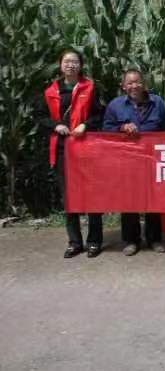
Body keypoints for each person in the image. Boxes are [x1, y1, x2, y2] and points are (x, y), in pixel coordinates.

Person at [40, 50, 104, 258]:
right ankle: (74, 242)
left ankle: (94, 241)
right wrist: (56, 125)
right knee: (68, 196)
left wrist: (86, 125)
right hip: (63, 149)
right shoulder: (50, 91)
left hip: (87, 148)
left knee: (92, 194)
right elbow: (40, 116)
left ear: (81, 65)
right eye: (67, 61)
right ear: (60, 65)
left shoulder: (90, 87)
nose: (71, 65)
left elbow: (100, 114)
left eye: (75, 61)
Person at [103, 69, 165, 255]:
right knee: (128, 201)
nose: (134, 86)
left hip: (152, 159)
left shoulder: (157, 103)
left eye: (137, 82)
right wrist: (122, 127)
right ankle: (131, 240)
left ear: (144, 84)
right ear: (123, 86)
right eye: (130, 83)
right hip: (126, 161)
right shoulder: (115, 105)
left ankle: (154, 239)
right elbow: (105, 129)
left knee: (153, 201)